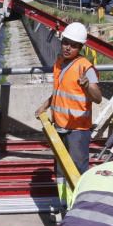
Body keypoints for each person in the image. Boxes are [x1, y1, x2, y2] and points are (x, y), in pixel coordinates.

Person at [35, 22, 102, 199]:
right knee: (60, 168)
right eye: (66, 42)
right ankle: (63, 202)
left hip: (77, 130)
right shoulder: (58, 63)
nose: (68, 47)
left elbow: (98, 98)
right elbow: (59, 92)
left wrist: (87, 85)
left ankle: (79, 203)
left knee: (77, 168)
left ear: (80, 47)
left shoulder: (85, 67)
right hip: (59, 126)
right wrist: (45, 105)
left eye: (73, 45)